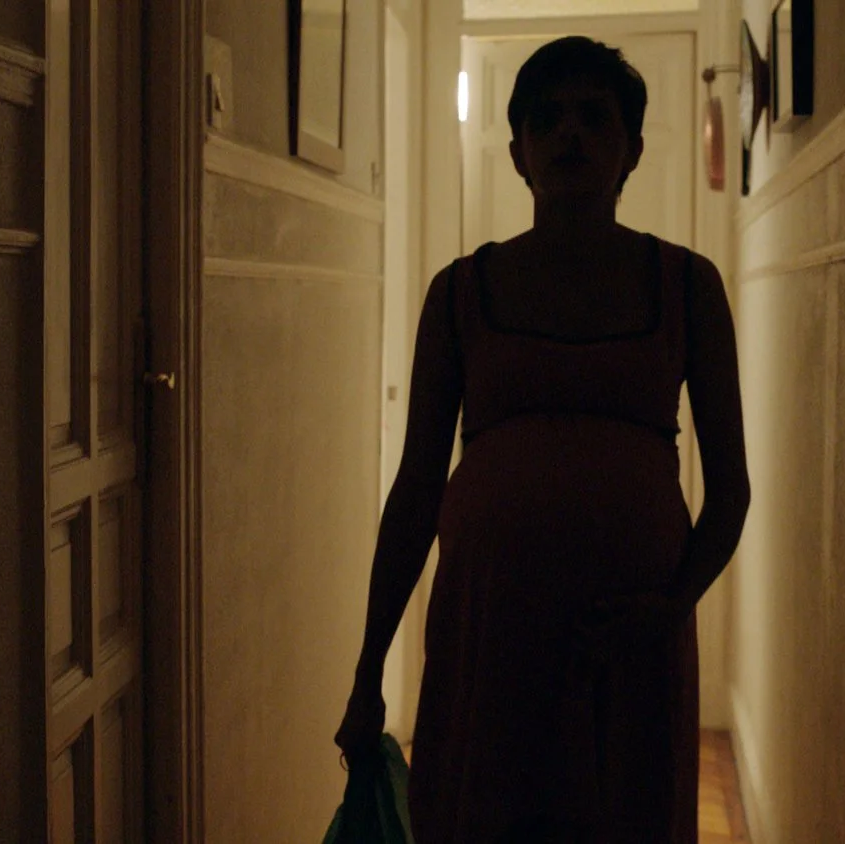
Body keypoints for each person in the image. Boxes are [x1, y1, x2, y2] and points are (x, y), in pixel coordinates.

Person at [335, 36, 751, 843]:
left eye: (594, 116)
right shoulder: (460, 293)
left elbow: (731, 490)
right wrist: (367, 672)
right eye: (547, 118)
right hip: (490, 635)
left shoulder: (688, 287)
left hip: (630, 643)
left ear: (632, 149)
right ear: (518, 151)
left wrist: (671, 608)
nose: (570, 134)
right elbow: (416, 491)